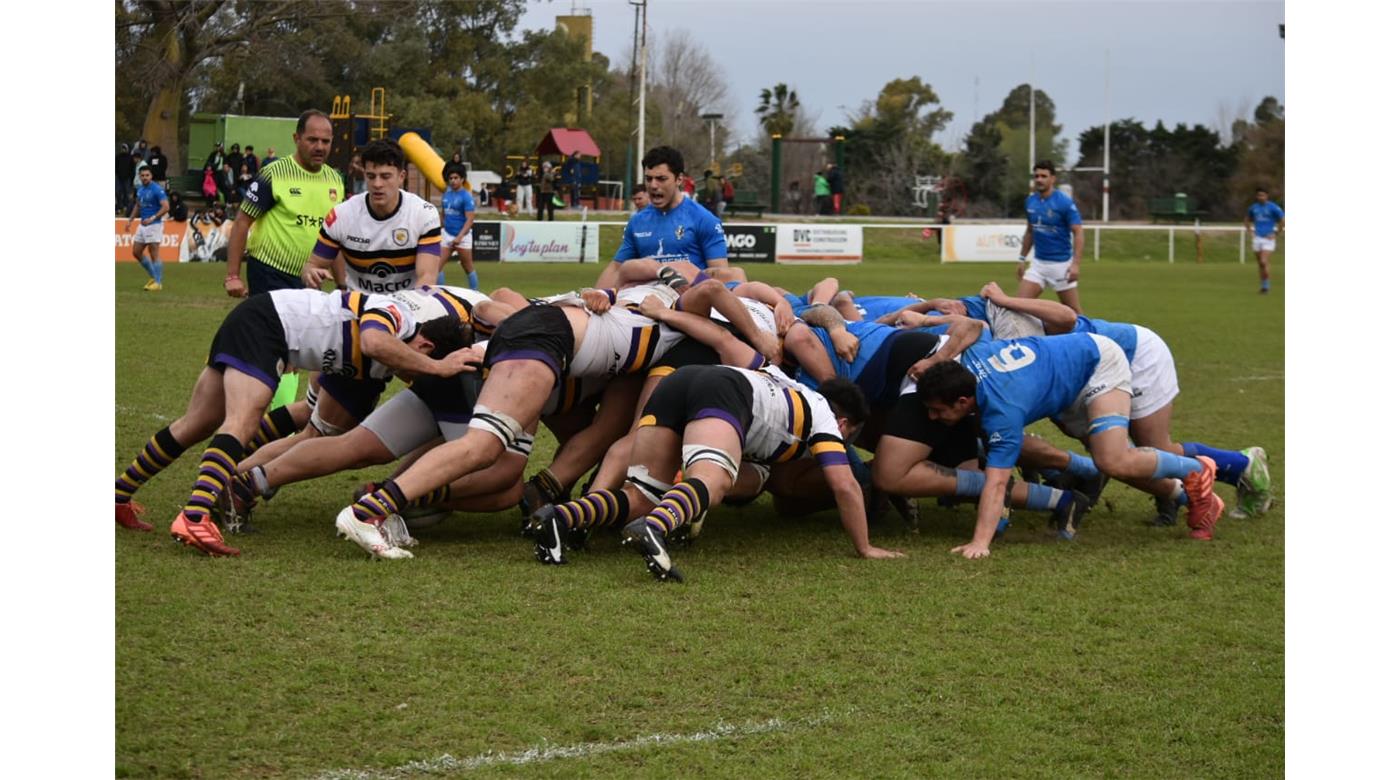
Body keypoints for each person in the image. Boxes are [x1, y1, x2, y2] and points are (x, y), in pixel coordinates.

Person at [112, 287, 480, 555]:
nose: (411, 375)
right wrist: (437, 368)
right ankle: (195, 517)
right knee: (240, 423)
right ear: (426, 347)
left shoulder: (391, 356)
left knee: (196, 423)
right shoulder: (397, 317)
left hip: (263, 326)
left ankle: (119, 494)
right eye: (420, 364)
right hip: (267, 326)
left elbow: (334, 357)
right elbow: (371, 343)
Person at [534, 365, 904, 581]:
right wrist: (865, 547)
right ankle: (658, 526)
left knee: (640, 497)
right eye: (847, 436)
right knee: (714, 481)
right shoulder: (822, 414)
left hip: (679, 382)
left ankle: (559, 517)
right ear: (844, 423)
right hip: (724, 392)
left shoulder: (790, 388)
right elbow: (843, 484)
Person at [915, 332, 1225, 559]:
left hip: (1098, 363)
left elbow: (996, 483)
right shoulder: (967, 362)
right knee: (1111, 460)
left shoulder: (1002, 413)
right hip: (1066, 376)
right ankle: (1192, 498)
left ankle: (1198, 468)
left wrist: (979, 543)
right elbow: (975, 325)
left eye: (938, 411)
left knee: (1113, 460)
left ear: (963, 401)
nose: (932, 416)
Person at [302, 139, 442, 295]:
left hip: (406, 309)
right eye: (371, 176)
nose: (377, 184)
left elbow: (427, 277)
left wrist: (396, 313)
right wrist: (310, 273)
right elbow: (312, 265)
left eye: (385, 176)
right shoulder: (342, 215)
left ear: (401, 176)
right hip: (356, 308)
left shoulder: (423, 214)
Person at [595, 145, 744, 288]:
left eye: (661, 179)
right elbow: (616, 268)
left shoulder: (704, 219)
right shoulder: (637, 222)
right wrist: (593, 297)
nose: (653, 185)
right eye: (648, 179)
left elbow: (720, 276)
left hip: (688, 303)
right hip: (647, 303)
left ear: (679, 179)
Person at [1017, 160, 1085, 313]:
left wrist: (1075, 264)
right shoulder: (1030, 201)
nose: (1039, 179)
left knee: (1074, 313)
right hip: (1038, 265)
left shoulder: (1064, 202)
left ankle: (1092, 336)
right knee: (1018, 307)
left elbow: (1078, 232)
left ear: (1053, 178)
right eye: (1036, 176)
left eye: (1044, 176)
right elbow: (1030, 231)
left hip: (1061, 266)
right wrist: (1022, 259)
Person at [125, 166, 168, 291]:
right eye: (142, 175)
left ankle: (158, 283)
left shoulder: (157, 189)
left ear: (151, 176)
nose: (145, 177)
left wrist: (153, 218)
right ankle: (154, 277)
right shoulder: (140, 190)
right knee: (136, 252)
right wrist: (131, 219)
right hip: (143, 225)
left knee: (154, 253)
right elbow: (138, 206)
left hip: (154, 225)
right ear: (139, 176)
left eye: (147, 175)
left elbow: (166, 207)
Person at [440, 163, 478, 289]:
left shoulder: (466, 196)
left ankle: (476, 296)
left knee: (468, 268)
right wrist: (441, 228)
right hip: (447, 234)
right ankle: (440, 296)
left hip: (463, 237)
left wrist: (460, 237)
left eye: (456, 178)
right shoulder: (446, 194)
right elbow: (443, 214)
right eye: (451, 178)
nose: (453, 181)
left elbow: (470, 219)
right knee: (437, 266)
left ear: (462, 179)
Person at [1245, 186, 1284, 294]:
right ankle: (1264, 286)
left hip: (1268, 238)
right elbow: (1247, 219)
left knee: (1263, 261)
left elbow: (1282, 220)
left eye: (1262, 195)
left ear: (1267, 196)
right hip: (1257, 238)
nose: (1260, 197)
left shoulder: (1273, 207)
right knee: (1260, 264)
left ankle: (1266, 285)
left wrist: (1276, 233)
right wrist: (1250, 231)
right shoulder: (1253, 208)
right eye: (1258, 195)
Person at [116, 143, 135, 214]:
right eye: (122, 148)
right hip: (119, 177)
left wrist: (131, 177)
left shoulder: (130, 157)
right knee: (118, 192)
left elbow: (132, 168)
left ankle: (126, 207)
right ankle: (119, 206)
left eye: (125, 148)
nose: (123, 150)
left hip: (127, 178)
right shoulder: (118, 157)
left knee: (126, 193)